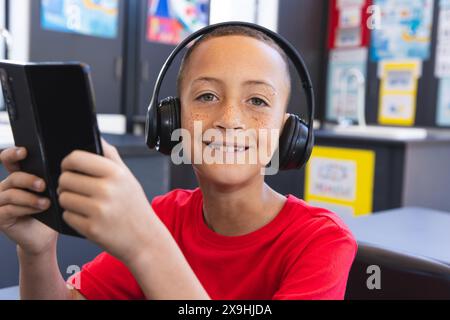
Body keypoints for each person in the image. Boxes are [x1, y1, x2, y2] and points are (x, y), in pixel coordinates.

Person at [0, 25, 357, 300]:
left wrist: (145, 244)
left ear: (288, 130)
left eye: (258, 101)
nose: (230, 118)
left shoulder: (322, 241)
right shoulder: (166, 217)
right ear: (171, 120)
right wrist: (38, 252)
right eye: (206, 96)